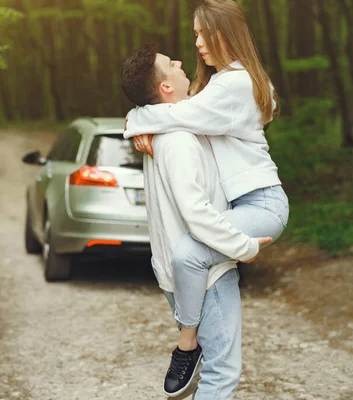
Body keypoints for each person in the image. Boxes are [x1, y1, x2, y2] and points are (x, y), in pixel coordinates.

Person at [123, 0, 289, 396]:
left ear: (222, 31)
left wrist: (135, 120)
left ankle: (187, 344)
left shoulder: (233, 85)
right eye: (194, 32)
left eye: (201, 32)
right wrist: (138, 118)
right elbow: (177, 110)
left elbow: (174, 114)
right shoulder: (214, 86)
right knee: (188, 256)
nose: (195, 43)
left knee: (188, 255)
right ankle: (189, 344)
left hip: (261, 202)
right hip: (242, 204)